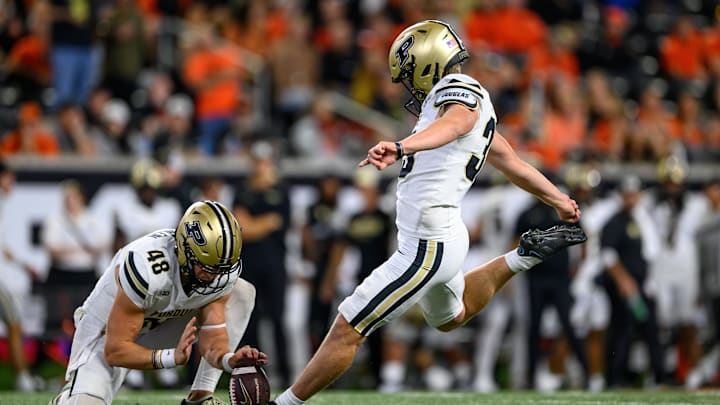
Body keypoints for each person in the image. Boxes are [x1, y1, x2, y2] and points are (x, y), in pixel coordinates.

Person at [270, 20, 586, 405]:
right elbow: (513, 163)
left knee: (348, 325)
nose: (410, 86)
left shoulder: (460, 91)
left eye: (409, 75)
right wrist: (558, 199)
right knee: (452, 316)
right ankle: (523, 256)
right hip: (444, 234)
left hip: (427, 242)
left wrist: (403, 147)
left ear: (427, 65)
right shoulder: (473, 103)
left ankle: (283, 403)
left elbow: (457, 122)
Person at [49, 200, 265, 405]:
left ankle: (201, 397)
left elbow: (214, 337)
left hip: (164, 321)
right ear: (186, 250)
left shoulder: (220, 275)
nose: (214, 276)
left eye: (220, 268)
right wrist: (172, 357)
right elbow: (115, 351)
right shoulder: (146, 266)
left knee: (242, 292)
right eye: (207, 266)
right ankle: (68, 398)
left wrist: (229, 359)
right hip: (109, 333)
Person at [599, 176, 665, 388]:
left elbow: (649, 255)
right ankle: (614, 377)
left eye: (634, 195)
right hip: (625, 287)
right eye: (627, 195)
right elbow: (608, 255)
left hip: (640, 285)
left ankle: (658, 375)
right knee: (622, 330)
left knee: (648, 328)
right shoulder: (615, 222)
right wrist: (624, 280)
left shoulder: (641, 220)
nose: (631, 199)